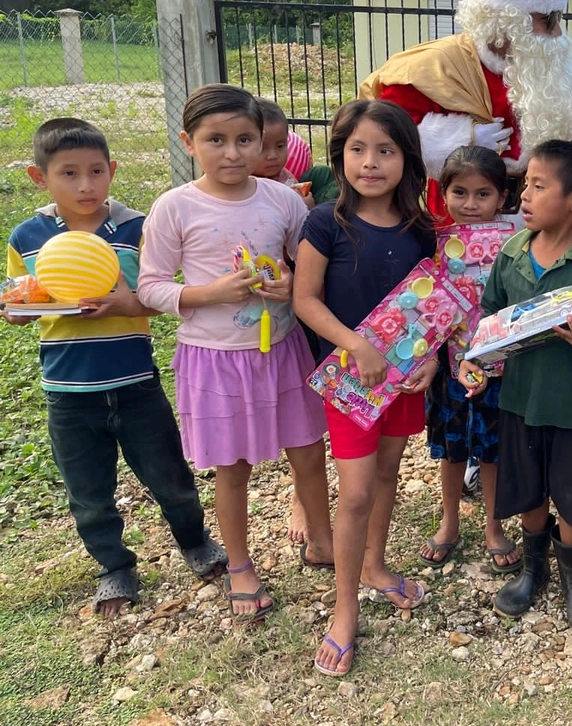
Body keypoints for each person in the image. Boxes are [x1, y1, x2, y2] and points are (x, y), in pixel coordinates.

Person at [3, 118, 228, 616]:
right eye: (68, 174)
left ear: (113, 170)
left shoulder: (135, 227)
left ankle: (195, 543)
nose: (85, 185)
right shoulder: (28, 236)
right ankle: (113, 566)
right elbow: (21, 301)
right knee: (88, 492)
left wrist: (123, 303)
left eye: (96, 172)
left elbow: (156, 297)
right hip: (67, 388)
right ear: (40, 178)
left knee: (170, 475)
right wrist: (18, 310)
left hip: (136, 382)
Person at [139, 85, 334, 627]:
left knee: (308, 451)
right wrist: (207, 294)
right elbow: (151, 286)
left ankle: (322, 541)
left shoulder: (284, 201)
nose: (232, 152)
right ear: (188, 142)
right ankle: (241, 565)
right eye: (216, 140)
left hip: (284, 349)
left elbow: (306, 265)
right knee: (233, 467)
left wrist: (289, 281)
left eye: (245, 139)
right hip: (215, 357)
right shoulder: (175, 207)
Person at [458, 141, 572, 636]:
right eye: (524, 184)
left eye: (537, 185)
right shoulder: (511, 255)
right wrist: (475, 360)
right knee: (528, 492)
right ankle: (534, 568)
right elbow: (488, 317)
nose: (524, 196)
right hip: (519, 404)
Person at [292, 100, 435, 677]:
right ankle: (344, 610)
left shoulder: (422, 230)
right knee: (353, 494)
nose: (370, 162)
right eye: (357, 149)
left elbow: (431, 308)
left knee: (386, 473)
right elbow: (305, 299)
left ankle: (376, 566)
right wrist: (356, 345)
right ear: (339, 154)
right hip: (350, 382)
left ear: (407, 160)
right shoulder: (325, 221)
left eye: (385, 150)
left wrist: (433, 362)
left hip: (403, 383)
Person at [359, 0, 572, 217]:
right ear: (507, 20)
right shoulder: (440, 65)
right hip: (458, 218)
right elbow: (383, 129)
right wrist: (461, 140)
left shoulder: (545, 65)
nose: (555, 33)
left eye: (556, 20)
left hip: (534, 219)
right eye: (545, 20)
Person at [419, 145, 521, 575]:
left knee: (494, 451)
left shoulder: (517, 244)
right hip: (449, 364)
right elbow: (421, 308)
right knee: (454, 447)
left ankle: (494, 527)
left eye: (483, 194)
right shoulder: (436, 244)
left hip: (502, 366)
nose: (471, 204)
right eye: (460, 192)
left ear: (502, 197)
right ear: (443, 195)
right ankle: (450, 521)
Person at [253, 98, 337, 547]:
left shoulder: (302, 186)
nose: (268, 156)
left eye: (278, 145)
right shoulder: (229, 195)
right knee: (289, 412)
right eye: (258, 145)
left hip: (303, 312)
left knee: (312, 404)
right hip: (255, 323)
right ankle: (299, 495)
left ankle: (307, 497)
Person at [252, 99, 339, 208]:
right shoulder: (250, 186)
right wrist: (305, 207)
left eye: (280, 146)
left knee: (322, 172)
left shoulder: (280, 174)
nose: (273, 155)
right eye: (262, 148)